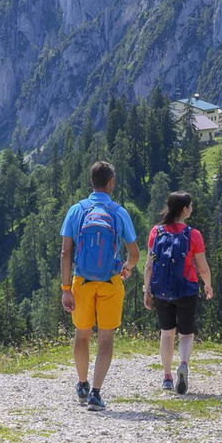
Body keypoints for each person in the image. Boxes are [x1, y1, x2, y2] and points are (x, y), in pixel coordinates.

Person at [60, 160, 140, 412]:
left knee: (82, 334)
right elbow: (135, 253)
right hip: (110, 281)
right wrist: (125, 270)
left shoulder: (76, 210)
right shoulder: (118, 212)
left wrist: (65, 289)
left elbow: (65, 252)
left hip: (81, 282)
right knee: (106, 339)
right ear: (111, 182)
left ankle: (82, 384)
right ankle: (96, 393)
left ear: (91, 182)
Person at [144, 191, 214, 394]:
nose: (192, 209)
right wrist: (207, 285)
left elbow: (149, 265)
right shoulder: (193, 235)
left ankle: (166, 377)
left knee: (166, 334)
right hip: (186, 290)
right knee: (186, 334)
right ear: (184, 209)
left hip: (161, 290)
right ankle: (183, 364)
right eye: (190, 206)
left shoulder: (156, 232)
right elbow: (202, 267)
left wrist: (147, 290)